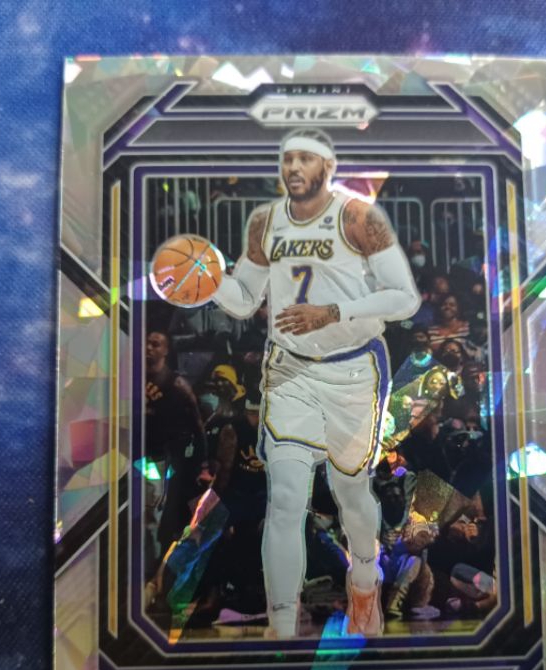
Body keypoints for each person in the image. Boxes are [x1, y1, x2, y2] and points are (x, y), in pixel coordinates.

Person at [210, 128, 420, 638]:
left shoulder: (358, 217)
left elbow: (404, 299)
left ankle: (365, 580)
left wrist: (334, 311)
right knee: (284, 498)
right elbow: (245, 299)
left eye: (305, 159)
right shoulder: (264, 222)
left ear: (327, 166)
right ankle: (281, 625)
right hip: (291, 369)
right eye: (288, 159)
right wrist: (207, 283)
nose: (293, 168)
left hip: (353, 369)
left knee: (351, 492)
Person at [144, 331, 209, 573]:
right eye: (147, 343)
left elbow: (197, 423)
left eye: (155, 344)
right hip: (129, 455)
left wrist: (202, 462)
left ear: (166, 350)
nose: (149, 348)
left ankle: (152, 570)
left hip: (157, 458)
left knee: (151, 516)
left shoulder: (176, 384)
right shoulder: (132, 375)